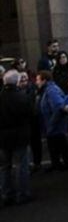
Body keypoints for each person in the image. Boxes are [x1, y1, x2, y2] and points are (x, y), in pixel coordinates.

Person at [0, 70, 34, 205]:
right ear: (17, 82)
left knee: (4, 167)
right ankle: (23, 193)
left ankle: (6, 194)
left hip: (2, 137)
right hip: (20, 135)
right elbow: (31, 114)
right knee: (21, 165)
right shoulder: (22, 97)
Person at [36, 70, 68, 171]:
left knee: (60, 144)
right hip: (52, 124)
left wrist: (52, 124)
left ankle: (66, 163)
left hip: (55, 124)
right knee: (54, 145)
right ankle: (57, 163)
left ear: (44, 80)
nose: (37, 82)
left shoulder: (51, 90)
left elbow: (58, 107)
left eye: (38, 80)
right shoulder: (47, 90)